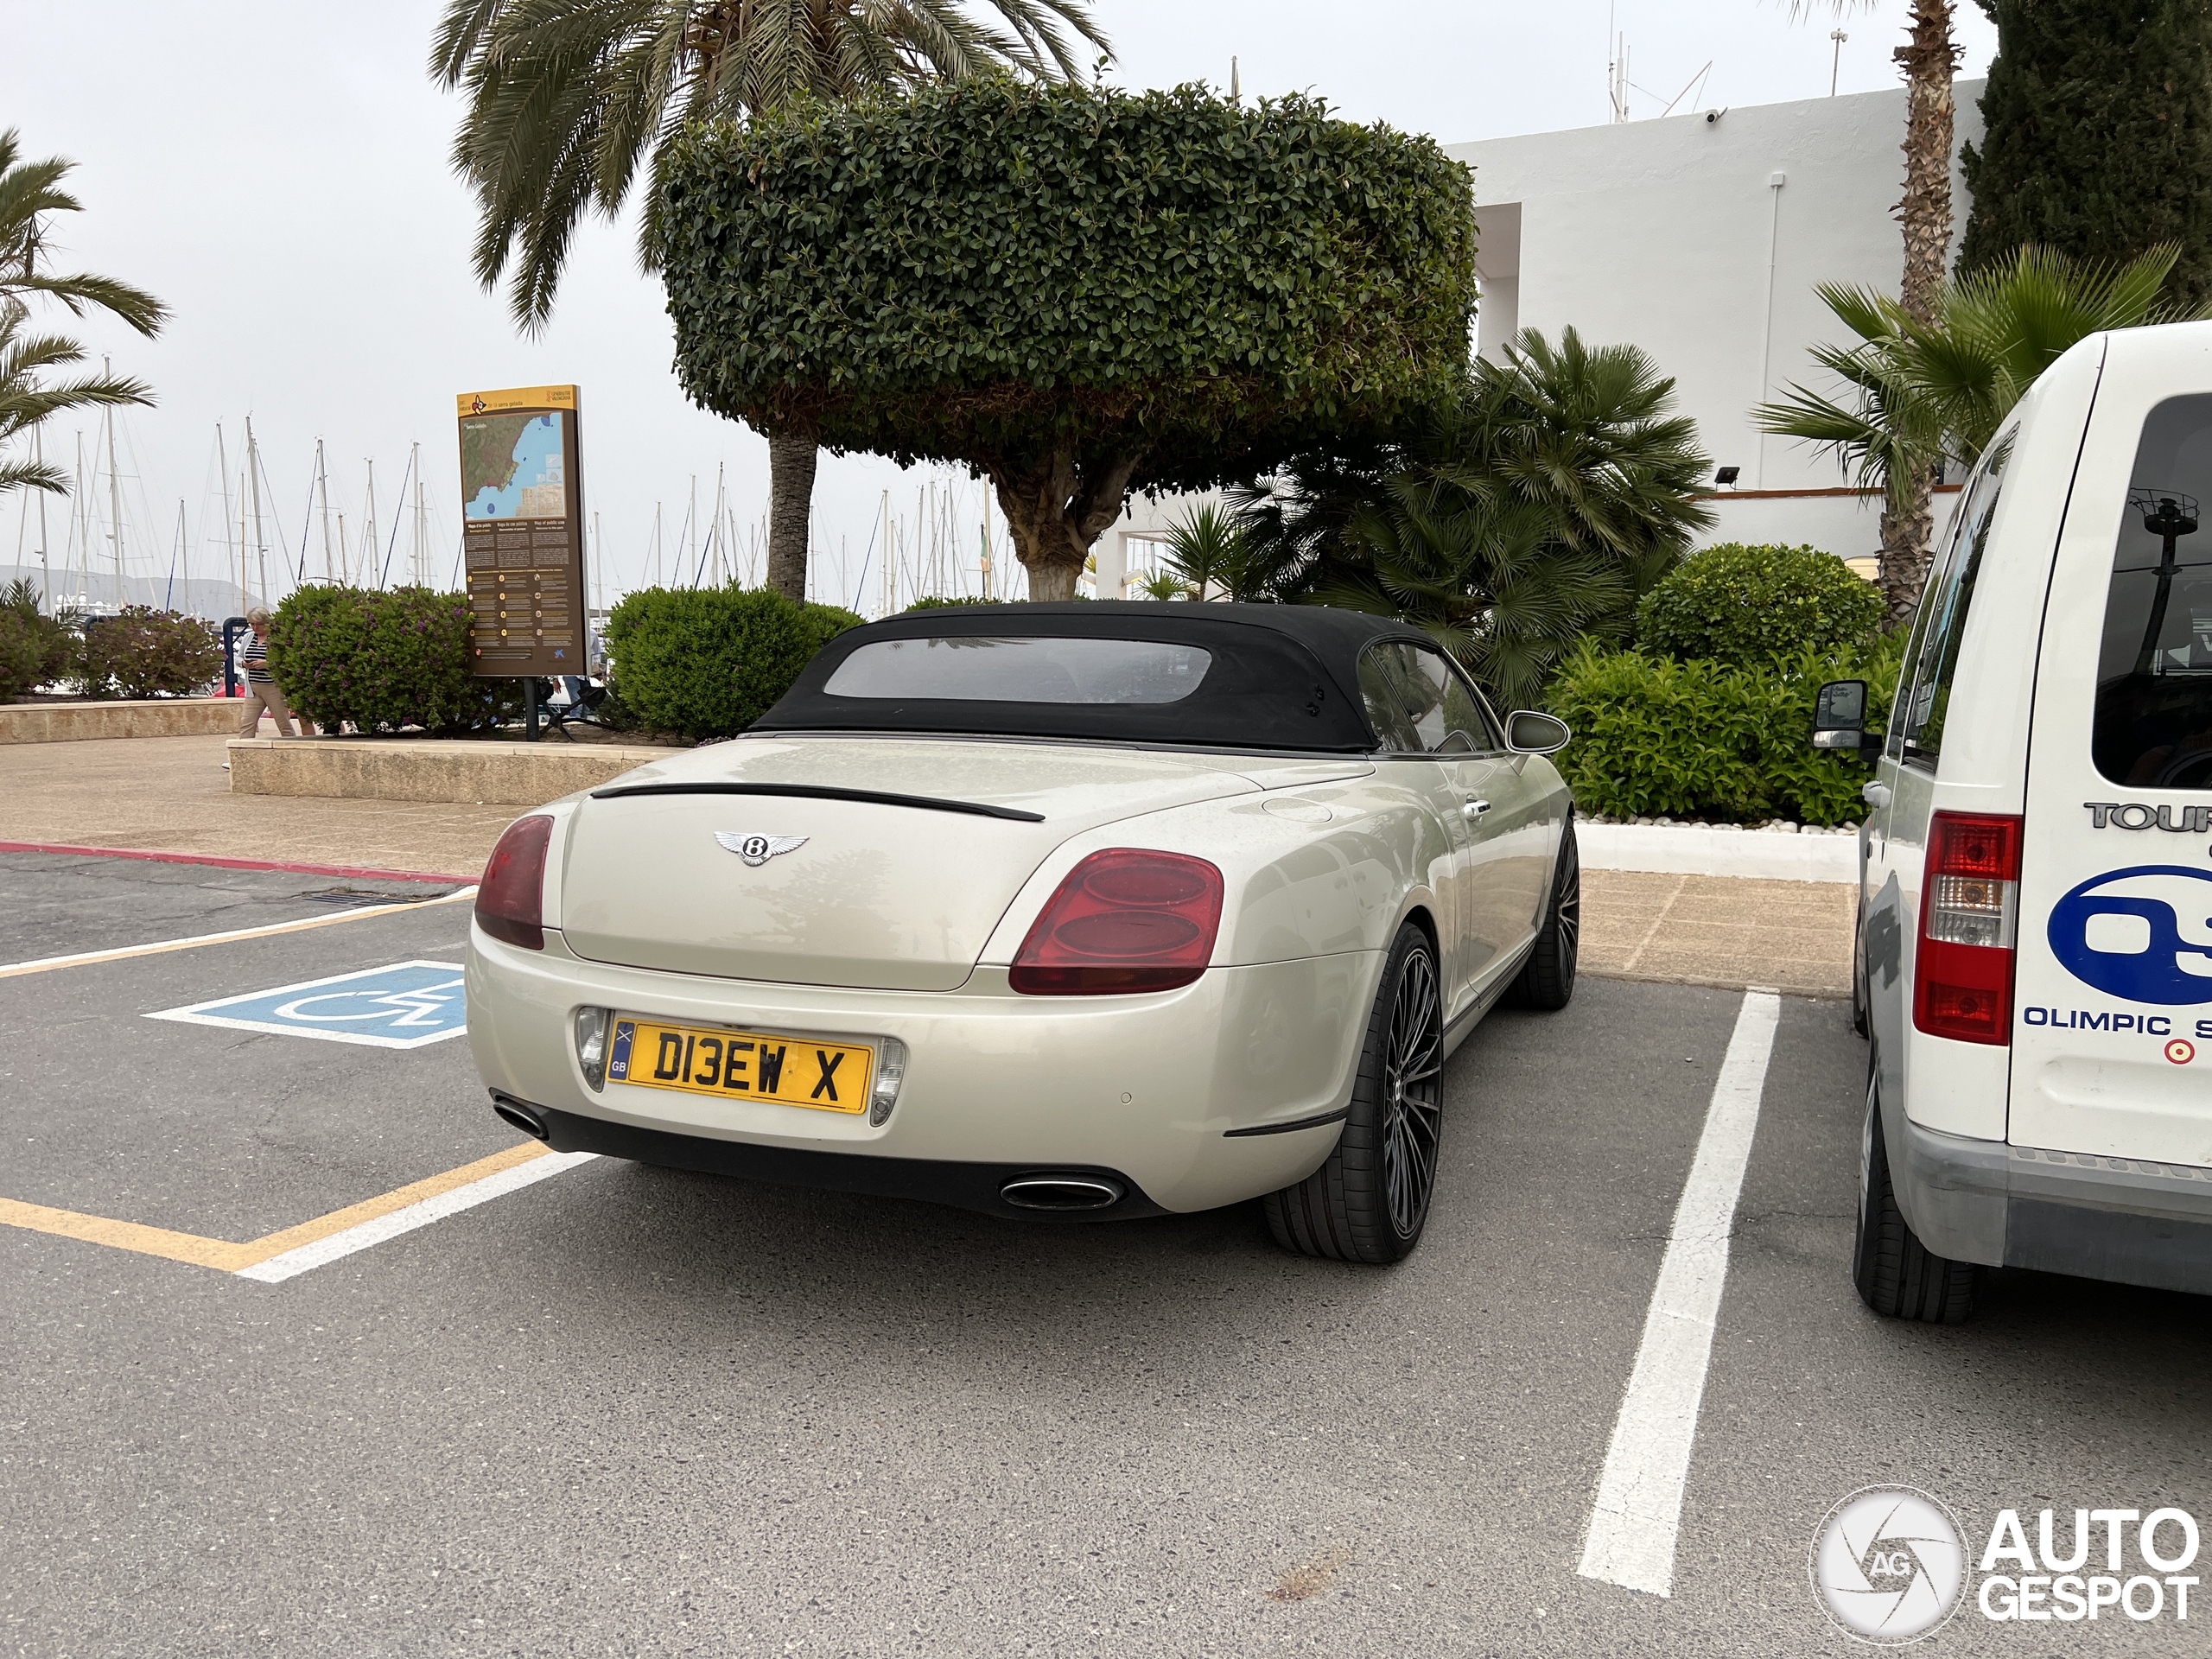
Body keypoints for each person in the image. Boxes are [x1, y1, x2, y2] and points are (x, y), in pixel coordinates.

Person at [237, 608, 305, 738]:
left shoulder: (278, 638)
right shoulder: (248, 637)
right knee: (246, 723)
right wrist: (243, 664)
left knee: (283, 723)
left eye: (259, 624)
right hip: (254, 688)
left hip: (273, 688)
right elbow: (238, 657)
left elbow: (287, 660)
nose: (255, 627)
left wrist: (268, 663)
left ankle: (291, 750)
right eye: (252, 624)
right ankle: (244, 753)